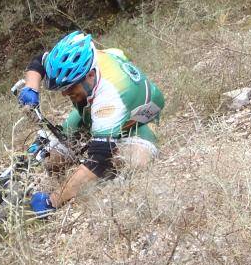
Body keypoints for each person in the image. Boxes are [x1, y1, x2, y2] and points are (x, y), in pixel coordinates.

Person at [17, 31, 165, 214]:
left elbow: (98, 160)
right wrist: (31, 87)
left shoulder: (111, 96)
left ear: (91, 75)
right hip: (90, 113)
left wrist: (53, 200)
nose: (64, 94)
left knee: (132, 164)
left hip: (134, 124)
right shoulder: (82, 55)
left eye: (70, 87)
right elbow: (39, 61)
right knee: (51, 159)